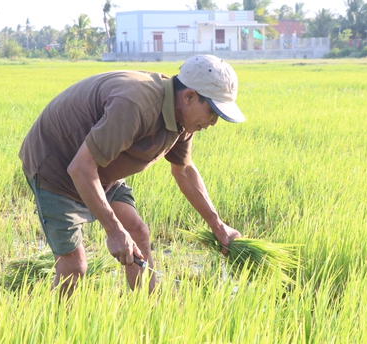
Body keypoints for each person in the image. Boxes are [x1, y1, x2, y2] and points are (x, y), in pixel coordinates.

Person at [19, 55, 244, 297]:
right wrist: (114, 231)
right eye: (213, 111)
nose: (214, 122)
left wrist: (218, 227)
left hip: (101, 169)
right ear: (189, 96)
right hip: (57, 168)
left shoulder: (183, 121)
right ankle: (57, 328)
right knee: (74, 266)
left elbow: (184, 170)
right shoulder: (135, 104)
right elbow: (81, 168)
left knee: (137, 232)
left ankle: (147, 314)